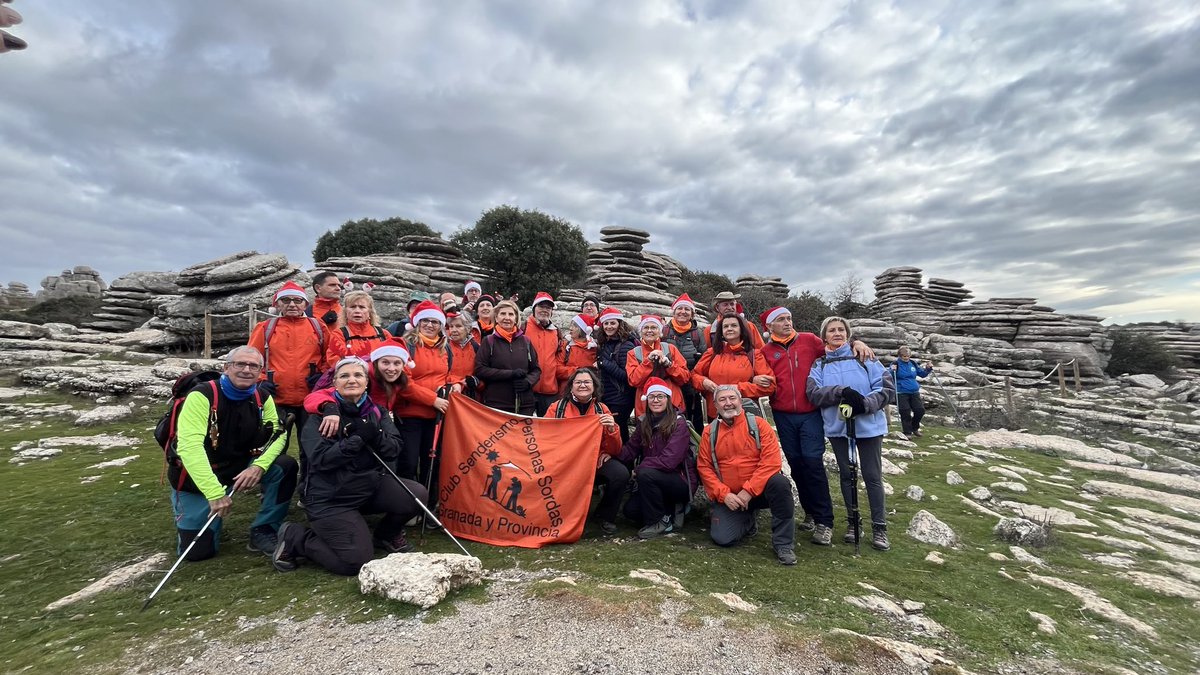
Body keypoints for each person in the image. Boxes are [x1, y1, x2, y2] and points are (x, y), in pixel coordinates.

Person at [273, 358, 428, 575]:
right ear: (334, 383)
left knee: (416, 494)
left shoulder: (377, 412)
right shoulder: (320, 416)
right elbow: (322, 460)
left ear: (367, 382)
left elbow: (393, 449)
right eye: (344, 376)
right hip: (330, 496)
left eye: (358, 375)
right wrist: (357, 439)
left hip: (367, 485)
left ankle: (385, 534)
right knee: (354, 563)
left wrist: (375, 436)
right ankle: (295, 537)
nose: (352, 380)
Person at [760, 306, 876, 546]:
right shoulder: (766, 351)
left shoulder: (808, 340)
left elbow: (835, 344)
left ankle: (825, 521)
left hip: (810, 414)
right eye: (781, 320)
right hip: (782, 414)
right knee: (796, 464)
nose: (787, 322)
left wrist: (857, 342)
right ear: (769, 326)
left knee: (813, 463)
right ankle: (810, 512)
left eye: (789, 318)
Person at [167, 347, 297, 560]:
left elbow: (278, 433)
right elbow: (189, 447)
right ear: (226, 367)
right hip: (197, 478)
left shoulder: (262, 396)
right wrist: (214, 493)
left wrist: (258, 466)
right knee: (198, 553)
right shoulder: (202, 395)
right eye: (240, 364)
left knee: (285, 466)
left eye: (253, 366)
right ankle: (197, 514)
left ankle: (264, 528)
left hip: (239, 467)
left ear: (260, 372)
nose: (247, 370)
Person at [807, 316, 895, 551]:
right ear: (824, 336)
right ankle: (853, 522)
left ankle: (880, 527)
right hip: (838, 429)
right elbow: (813, 393)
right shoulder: (820, 364)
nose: (837, 333)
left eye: (841, 330)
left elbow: (886, 389)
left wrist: (864, 404)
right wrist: (840, 392)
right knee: (847, 475)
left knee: (872, 476)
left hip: (869, 427)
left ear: (848, 334)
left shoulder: (866, 357)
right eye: (832, 330)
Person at [697, 385, 796, 565]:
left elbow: (771, 462)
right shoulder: (709, 432)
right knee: (723, 539)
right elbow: (705, 467)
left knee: (780, 483)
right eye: (722, 400)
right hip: (731, 496)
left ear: (740, 401)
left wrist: (748, 491)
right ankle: (748, 520)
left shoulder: (759, 425)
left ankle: (783, 543)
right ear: (715, 406)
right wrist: (724, 494)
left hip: (760, 492)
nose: (728, 403)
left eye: (732, 398)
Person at [248, 281, 339, 447]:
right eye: (286, 300)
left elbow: (329, 357)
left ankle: (308, 474)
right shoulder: (265, 328)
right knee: (273, 447)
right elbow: (252, 359)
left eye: (297, 300)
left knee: (312, 447)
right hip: (276, 399)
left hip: (311, 397)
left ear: (305, 304)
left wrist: (322, 377)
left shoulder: (318, 327)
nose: (292, 304)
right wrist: (260, 381)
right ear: (277, 304)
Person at [616, 379, 697, 539]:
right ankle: (671, 509)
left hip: (680, 480)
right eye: (652, 397)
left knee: (646, 473)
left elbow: (669, 461)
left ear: (668, 399)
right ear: (647, 400)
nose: (656, 400)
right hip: (654, 480)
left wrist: (639, 469)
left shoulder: (679, 424)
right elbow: (631, 449)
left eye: (661, 396)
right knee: (630, 511)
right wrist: (610, 455)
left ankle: (659, 521)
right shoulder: (645, 422)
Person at [548, 368, 625, 534]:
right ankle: (559, 516)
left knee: (620, 473)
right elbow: (545, 438)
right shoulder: (557, 408)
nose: (583, 385)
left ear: (594, 386)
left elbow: (616, 448)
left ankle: (604, 516)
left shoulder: (602, 409)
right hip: (565, 463)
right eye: (578, 382)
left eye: (587, 382)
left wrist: (611, 429)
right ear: (571, 386)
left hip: (593, 461)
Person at [396, 300, 460, 484]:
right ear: (417, 323)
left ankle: (428, 503)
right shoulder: (407, 346)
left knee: (431, 461)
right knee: (408, 462)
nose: (430, 325)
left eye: (435, 322)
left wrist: (455, 384)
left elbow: (447, 375)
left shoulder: (444, 348)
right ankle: (405, 506)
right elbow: (403, 382)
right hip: (410, 414)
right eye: (426, 321)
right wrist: (433, 400)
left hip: (435, 416)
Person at [691, 313, 775, 419]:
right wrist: (704, 382)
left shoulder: (754, 355)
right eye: (725, 326)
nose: (729, 329)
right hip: (716, 415)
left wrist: (737, 388)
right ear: (721, 331)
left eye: (734, 325)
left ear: (742, 329)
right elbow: (694, 376)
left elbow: (770, 387)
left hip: (745, 415)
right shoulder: (712, 353)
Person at [475, 299, 541, 415]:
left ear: (516, 318)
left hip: (525, 404)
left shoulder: (525, 341)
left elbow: (536, 369)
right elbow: (480, 369)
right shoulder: (489, 341)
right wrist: (510, 374)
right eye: (503, 314)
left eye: (511, 314)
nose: (507, 318)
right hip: (496, 403)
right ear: (496, 317)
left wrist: (528, 382)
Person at [626, 314, 689, 417]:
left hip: (671, 398)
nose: (649, 330)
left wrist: (669, 365)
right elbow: (634, 380)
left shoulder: (670, 349)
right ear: (640, 332)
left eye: (654, 327)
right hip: (645, 400)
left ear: (659, 332)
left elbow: (685, 378)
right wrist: (648, 362)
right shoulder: (633, 353)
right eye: (646, 327)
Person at [662, 293, 708, 432]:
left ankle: (696, 448)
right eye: (679, 309)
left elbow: (704, 359)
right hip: (669, 382)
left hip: (690, 384)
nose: (683, 312)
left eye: (687, 309)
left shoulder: (697, 333)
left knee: (694, 417)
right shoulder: (664, 331)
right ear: (674, 312)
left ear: (692, 314)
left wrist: (694, 379)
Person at [594, 307, 636, 444]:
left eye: (612, 323)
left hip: (621, 397)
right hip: (608, 396)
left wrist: (603, 363)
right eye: (606, 323)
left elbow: (626, 375)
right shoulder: (606, 344)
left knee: (619, 429)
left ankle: (624, 460)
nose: (609, 326)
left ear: (620, 324)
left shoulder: (626, 346)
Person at [525, 292, 566, 416]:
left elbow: (559, 359)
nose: (544, 310)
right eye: (541, 306)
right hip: (527, 389)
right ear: (534, 309)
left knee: (549, 430)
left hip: (550, 392)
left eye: (548, 308)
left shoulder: (556, 332)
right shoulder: (523, 328)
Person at [332, 290, 393, 360]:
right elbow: (334, 359)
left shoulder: (384, 334)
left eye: (362, 307)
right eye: (352, 307)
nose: (357, 311)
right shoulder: (339, 334)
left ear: (370, 311)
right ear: (345, 311)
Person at [892, 346, 932, 438]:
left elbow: (922, 374)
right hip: (901, 392)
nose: (906, 358)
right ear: (900, 356)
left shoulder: (912, 363)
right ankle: (907, 432)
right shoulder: (895, 364)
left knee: (920, 410)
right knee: (905, 411)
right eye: (904, 356)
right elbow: (889, 375)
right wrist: (892, 370)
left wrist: (928, 369)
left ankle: (914, 428)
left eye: (908, 356)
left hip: (914, 391)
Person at [446, 310, 482, 400]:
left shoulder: (476, 347)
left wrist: (477, 382)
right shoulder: (444, 347)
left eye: (458, 326)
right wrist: (457, 382)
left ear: (468, 328)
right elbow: (439, 373)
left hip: (472, 397)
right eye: (451, 326)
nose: (453, 330)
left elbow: (483, 373)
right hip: (450, 396)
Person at [558, 313, 597, 382]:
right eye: (571, 325)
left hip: (588, 389)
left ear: (583, 329)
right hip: (567, 389)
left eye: (575, 326)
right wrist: (579, 371)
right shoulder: (566, 346)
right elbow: (558, 369)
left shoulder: (594, 347)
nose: (570, 328)